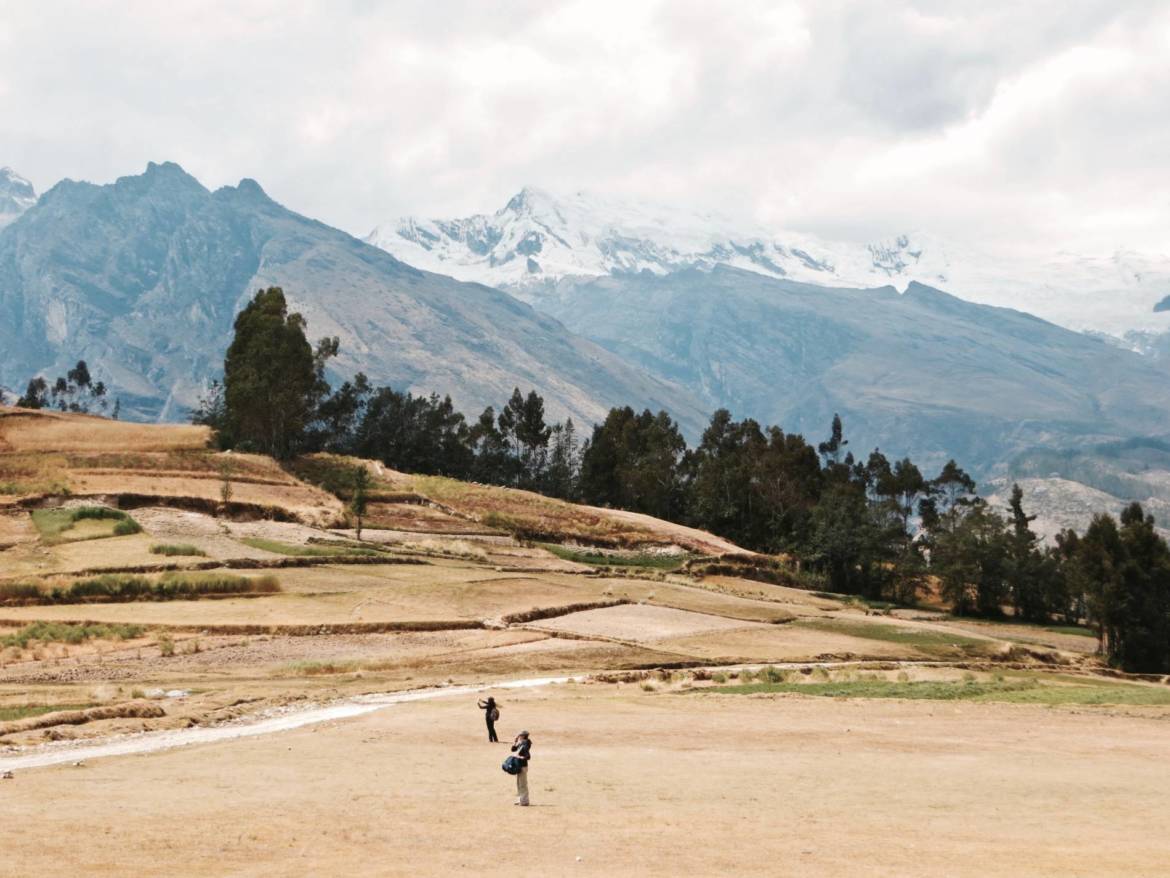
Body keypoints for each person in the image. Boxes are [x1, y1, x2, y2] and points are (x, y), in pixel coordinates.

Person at [511, 730, 532, 806]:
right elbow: (513, 749)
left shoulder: (525, 744)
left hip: (523, 766)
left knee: (523, 784)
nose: (518, 736)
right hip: (519, 765)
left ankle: (525, 801)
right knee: (519, 784)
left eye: (520, 735)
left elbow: (528, 756)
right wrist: (515, 741)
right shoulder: (521, 743)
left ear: (523, 736)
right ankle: (520, 799)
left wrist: (519, 757)